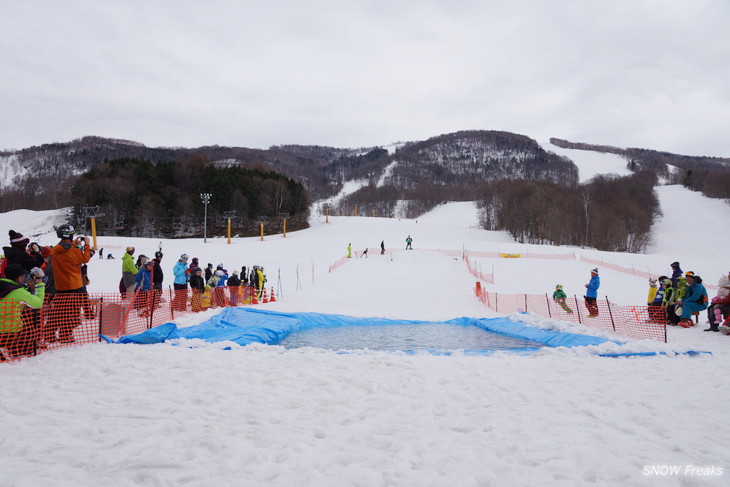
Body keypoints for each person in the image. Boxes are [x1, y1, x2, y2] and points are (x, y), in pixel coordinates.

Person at [48, 224, 91, 343]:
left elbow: (66, 250)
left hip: (61, 285)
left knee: (58, 311)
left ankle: (49, 334)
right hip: (74, 285)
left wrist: (74, 245)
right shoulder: (71, 251)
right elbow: (85, 258)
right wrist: (87, 245)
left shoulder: (56, 249)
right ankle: (65, 335)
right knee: (72, 312)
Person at [0, 264, 45, 359]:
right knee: (30, 346)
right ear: (19, 277)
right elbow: (38, 303)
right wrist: (40, 285)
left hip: (4, 333)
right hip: (10, 334)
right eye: (23, 276)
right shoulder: (18, 292)